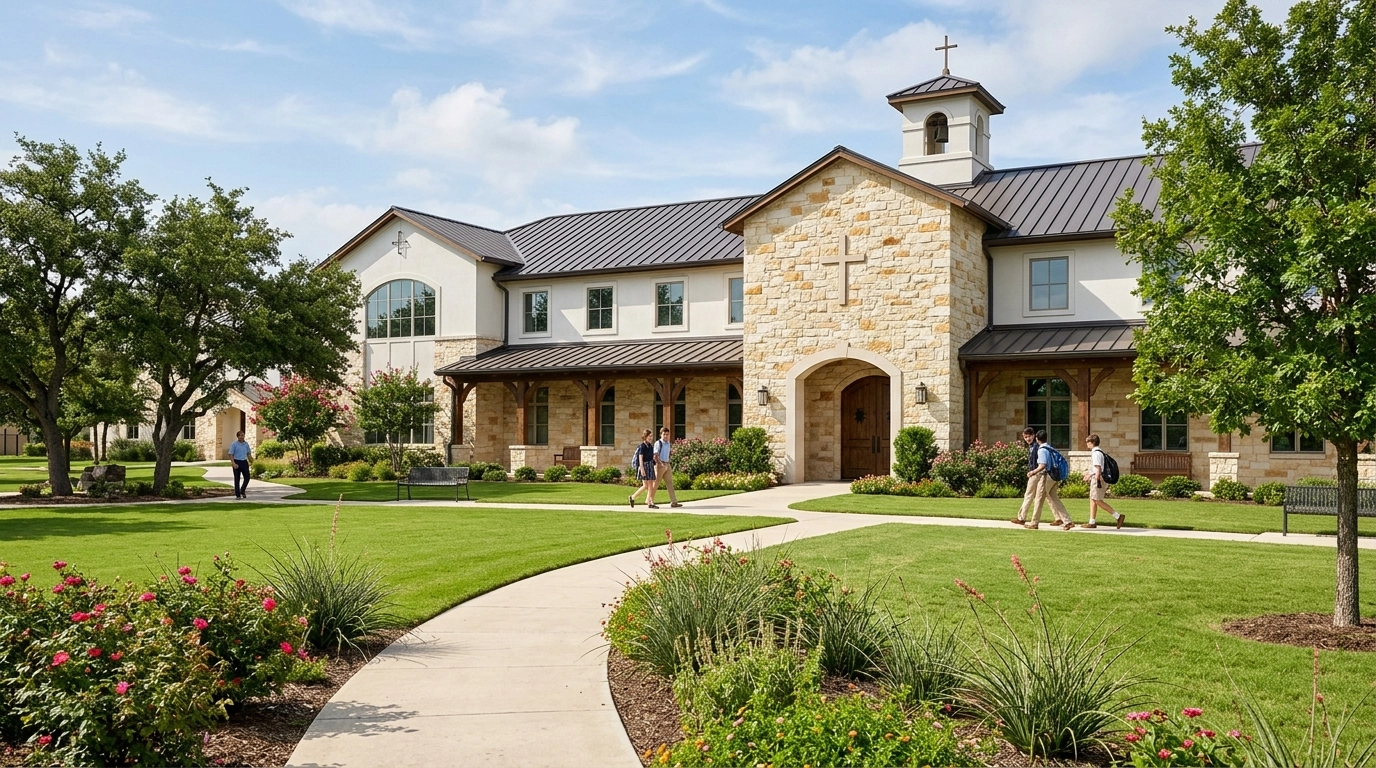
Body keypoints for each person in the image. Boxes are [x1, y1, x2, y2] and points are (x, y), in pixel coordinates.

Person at [1025, 430, 1073, 530]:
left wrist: (1032, 472)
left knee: (1038, 499)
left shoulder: (1042, 450)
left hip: (1046, 476)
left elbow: (1043, 465)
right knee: (1054, 497)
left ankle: (1034, 523)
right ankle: (1068, 521)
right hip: (1055, 476)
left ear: (1037, 439)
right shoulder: (1050, 448)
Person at [1082, 434, 1125, 529]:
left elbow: (1098, 468)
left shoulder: (1096, 453)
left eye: (1088, 442)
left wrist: (1096, 479)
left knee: (1098, 500)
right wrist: (1089, 474)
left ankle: (1118, 516)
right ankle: (1092, 521)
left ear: (1092, 443)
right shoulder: (1099, 452)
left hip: (1098, 479)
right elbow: (1096, 468)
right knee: (1093, 499)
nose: (1087, 444)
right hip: (1097, 478)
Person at [1010, 427, 1040, 526]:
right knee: (1048, 497)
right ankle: (1059, 518)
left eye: (1029, 436)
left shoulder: (1035, 447)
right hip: (1036, 473)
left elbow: (1037, 462)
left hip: (1035, 474)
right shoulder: (1032, 446)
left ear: (1033, 435)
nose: (1027, 439)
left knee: (1028, 495)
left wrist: (1032, 472)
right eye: (1026, 437)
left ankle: (1022, 518)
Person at [653, 427, 683, 508]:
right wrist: (660, 464)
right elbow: (655, 455)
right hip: (660, 465)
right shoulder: (658, 443)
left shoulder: (668, 443)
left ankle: (674, 502)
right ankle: (650, 501)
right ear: (661, 435)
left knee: (670, 483)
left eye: (667, 434)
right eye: (664, 434)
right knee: (656, 484)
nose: (666, 436)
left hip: (667, 464)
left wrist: (668, 461)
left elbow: (668, 453)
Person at [629, 429, 659, 508]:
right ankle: (650, 502)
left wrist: (655, 464)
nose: (651, 438)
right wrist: (642, 469)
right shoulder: (642, 446)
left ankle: (633, 497)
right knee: (648, 485)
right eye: (649, 436)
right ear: (645, 437)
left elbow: (651, 457)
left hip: (650, 465)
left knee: (648, 485)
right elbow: (640, 458)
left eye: (651, 436)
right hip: (645, 466)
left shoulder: (650, 446)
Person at [227, 431, 253, 499]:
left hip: (244, 462)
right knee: (237, 479)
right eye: (241, 435)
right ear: (238, 436)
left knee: (247, 477)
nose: (242, 437)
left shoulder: (246, 444)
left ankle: (242, 490)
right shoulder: (234, 444)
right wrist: (233, 463)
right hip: (237, 462)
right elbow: (230, 454)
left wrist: (252, 461)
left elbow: (248, 453)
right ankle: (238, 495)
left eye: (243, 435)